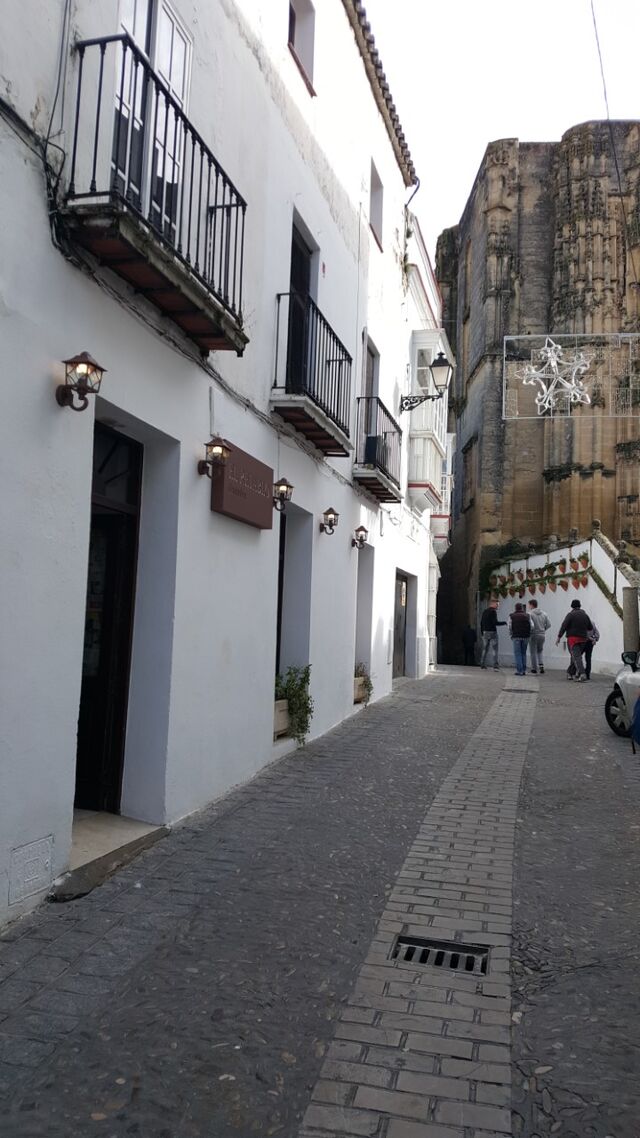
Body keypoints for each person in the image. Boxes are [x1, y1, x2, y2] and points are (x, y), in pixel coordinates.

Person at [556, 599, 593, 681]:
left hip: (573, 639)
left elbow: (564, 626)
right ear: (580, 605)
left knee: (576, 657)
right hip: (583, 639)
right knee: (576, 656)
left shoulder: (570, 615)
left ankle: (582, 674)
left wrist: (559, 637)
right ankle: (570, 673)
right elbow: (590, 627)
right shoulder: (585, 615)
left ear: (572, 606)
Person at [480, 600, 506, 670]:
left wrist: (482, 632)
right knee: (495, 649)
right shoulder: (493, 612)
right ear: (493, 604)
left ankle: (482, 664)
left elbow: (481, 622)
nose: (498, 606)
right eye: (497, 604)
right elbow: (495, 622)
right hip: (492, 632)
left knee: (485, 649)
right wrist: (504, 623)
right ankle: (495, 665)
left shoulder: (485, 611)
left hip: (485, 632)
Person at [527, 598, 551, 674]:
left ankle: (534, 668)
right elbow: (549, 624)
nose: (528, 606)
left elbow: (531, 625)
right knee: (540, 650)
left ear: (531, 605)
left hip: (533, 634)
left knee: (533, 651)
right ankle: (541, 666)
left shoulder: (529, 614)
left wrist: (530, 631)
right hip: (542, 634)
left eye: (529, 605)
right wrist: (543, 630)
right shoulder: (544, 613)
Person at [509, 602, 532, 676]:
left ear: (515, 608)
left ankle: (520, 670)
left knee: (518, 653)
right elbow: (532, 626)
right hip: (526, 637)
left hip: (516, 636)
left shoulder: (512, 616)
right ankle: (524, 670)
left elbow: (509, 626)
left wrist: (511, 634)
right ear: (522, 608)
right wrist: (529, 633)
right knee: (523, 653)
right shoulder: (527, 615)